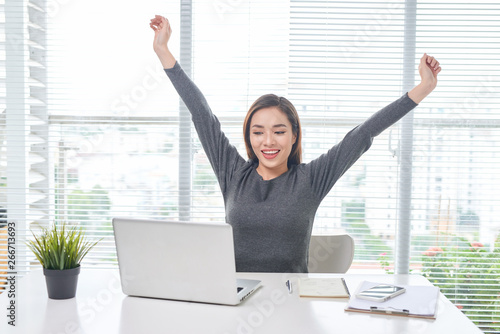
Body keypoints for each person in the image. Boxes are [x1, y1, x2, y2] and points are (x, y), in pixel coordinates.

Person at [149, 15, 441, 273]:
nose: (268, 141)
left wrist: (422, 89)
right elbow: (201, 114)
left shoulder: (310, 180)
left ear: (294, 135)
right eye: (257, 132)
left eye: (278, 131)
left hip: (293, 302)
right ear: (249, 137)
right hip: (235, 299)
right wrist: (163, 51)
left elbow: (362, 135)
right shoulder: (233, 173)